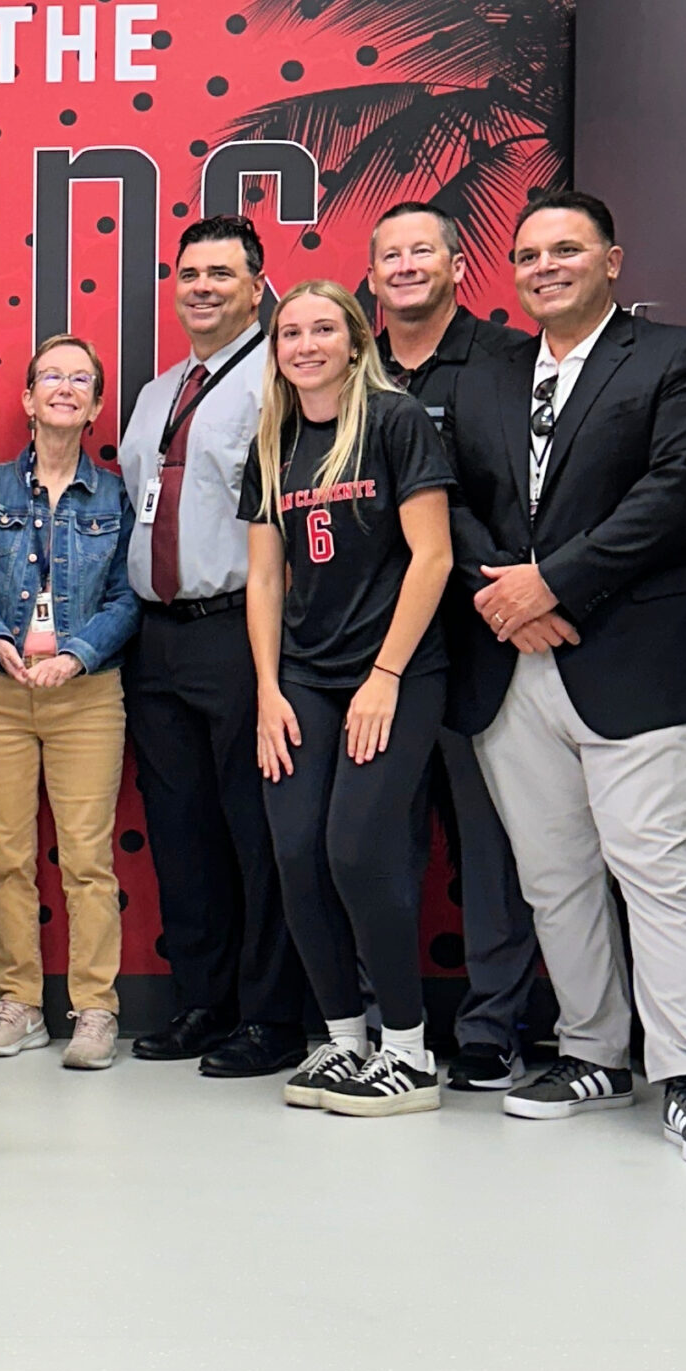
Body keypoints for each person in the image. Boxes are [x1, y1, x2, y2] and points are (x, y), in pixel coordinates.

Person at [440, 188, 686, 1167]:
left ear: (611, 260)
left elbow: (683, 485)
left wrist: (553, 582)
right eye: (529, 254)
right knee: (553, 878)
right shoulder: (490, 376)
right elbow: (443, 492)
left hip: (645, 663)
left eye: (565, 250)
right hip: (513, 666)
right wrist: (505, 594)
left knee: (657, 872)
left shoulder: (675, 359)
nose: (544, 267)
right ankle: (590, 1053)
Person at [242, 280, 455, 1116]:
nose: (305, 344)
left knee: (359, 849)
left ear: (356, 340)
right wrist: (266, 688)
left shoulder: (396, 421)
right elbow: (265, 578)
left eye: (323, 328)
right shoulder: (275, 437)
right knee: (296, 853)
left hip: (395, 671)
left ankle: (406, 1050)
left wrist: (386, 677)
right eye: (290, 332)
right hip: (303, 674)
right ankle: (341, 1041)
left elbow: (432, 558)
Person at [117, 215, 310, 1079]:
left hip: (239, 631)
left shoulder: (281, 377)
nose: (201, 287)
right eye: (190, 273)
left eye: (222, 274)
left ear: (257, 283)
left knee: (254, 829)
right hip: (156, 638)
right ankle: (205, 1001)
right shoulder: (161, 392)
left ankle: (271, 1017)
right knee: (181, 832)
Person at [368, 202, 544, 1093]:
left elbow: (517, 500)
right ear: (372, 275)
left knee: (489, 845)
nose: (405, 267)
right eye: (389, 255)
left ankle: (491, 1027)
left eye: (420, 251)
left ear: (457, 262)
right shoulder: (344, 369)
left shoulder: (510, 362)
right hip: (373, 653)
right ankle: (385, 1023)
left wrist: (494, 584)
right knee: (377, 841)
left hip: (481, 638)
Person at [0, 334, 138, 1070]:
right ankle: (19, 1004)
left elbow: (130, 597)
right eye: (50, 377)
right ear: (28, 399)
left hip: (87, 695)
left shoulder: (117, 495)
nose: (65, 388)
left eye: (81, 380)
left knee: (89, 858)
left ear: (95, 405)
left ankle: (96, 1010)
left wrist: (75, 655)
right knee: (6, 857)